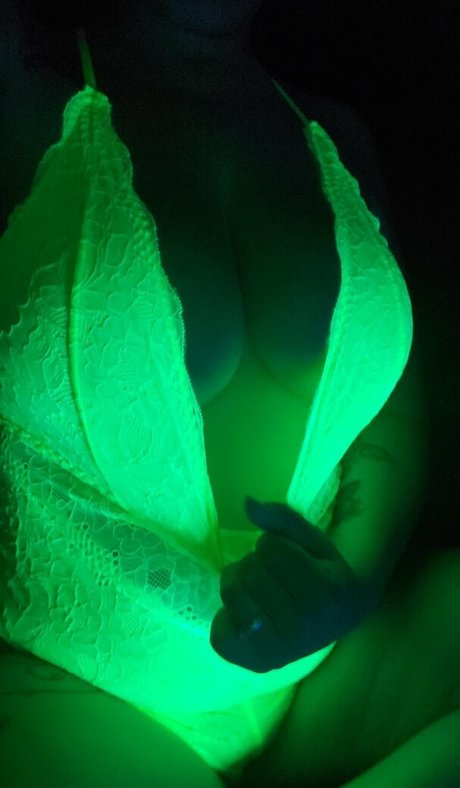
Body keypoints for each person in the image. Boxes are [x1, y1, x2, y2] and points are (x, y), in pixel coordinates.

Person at [1, 2, 459, 786]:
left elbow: (391, 411)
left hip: (321, 673)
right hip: (65, 681)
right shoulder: (19, 93)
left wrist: (350, 583)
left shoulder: (335, 133)